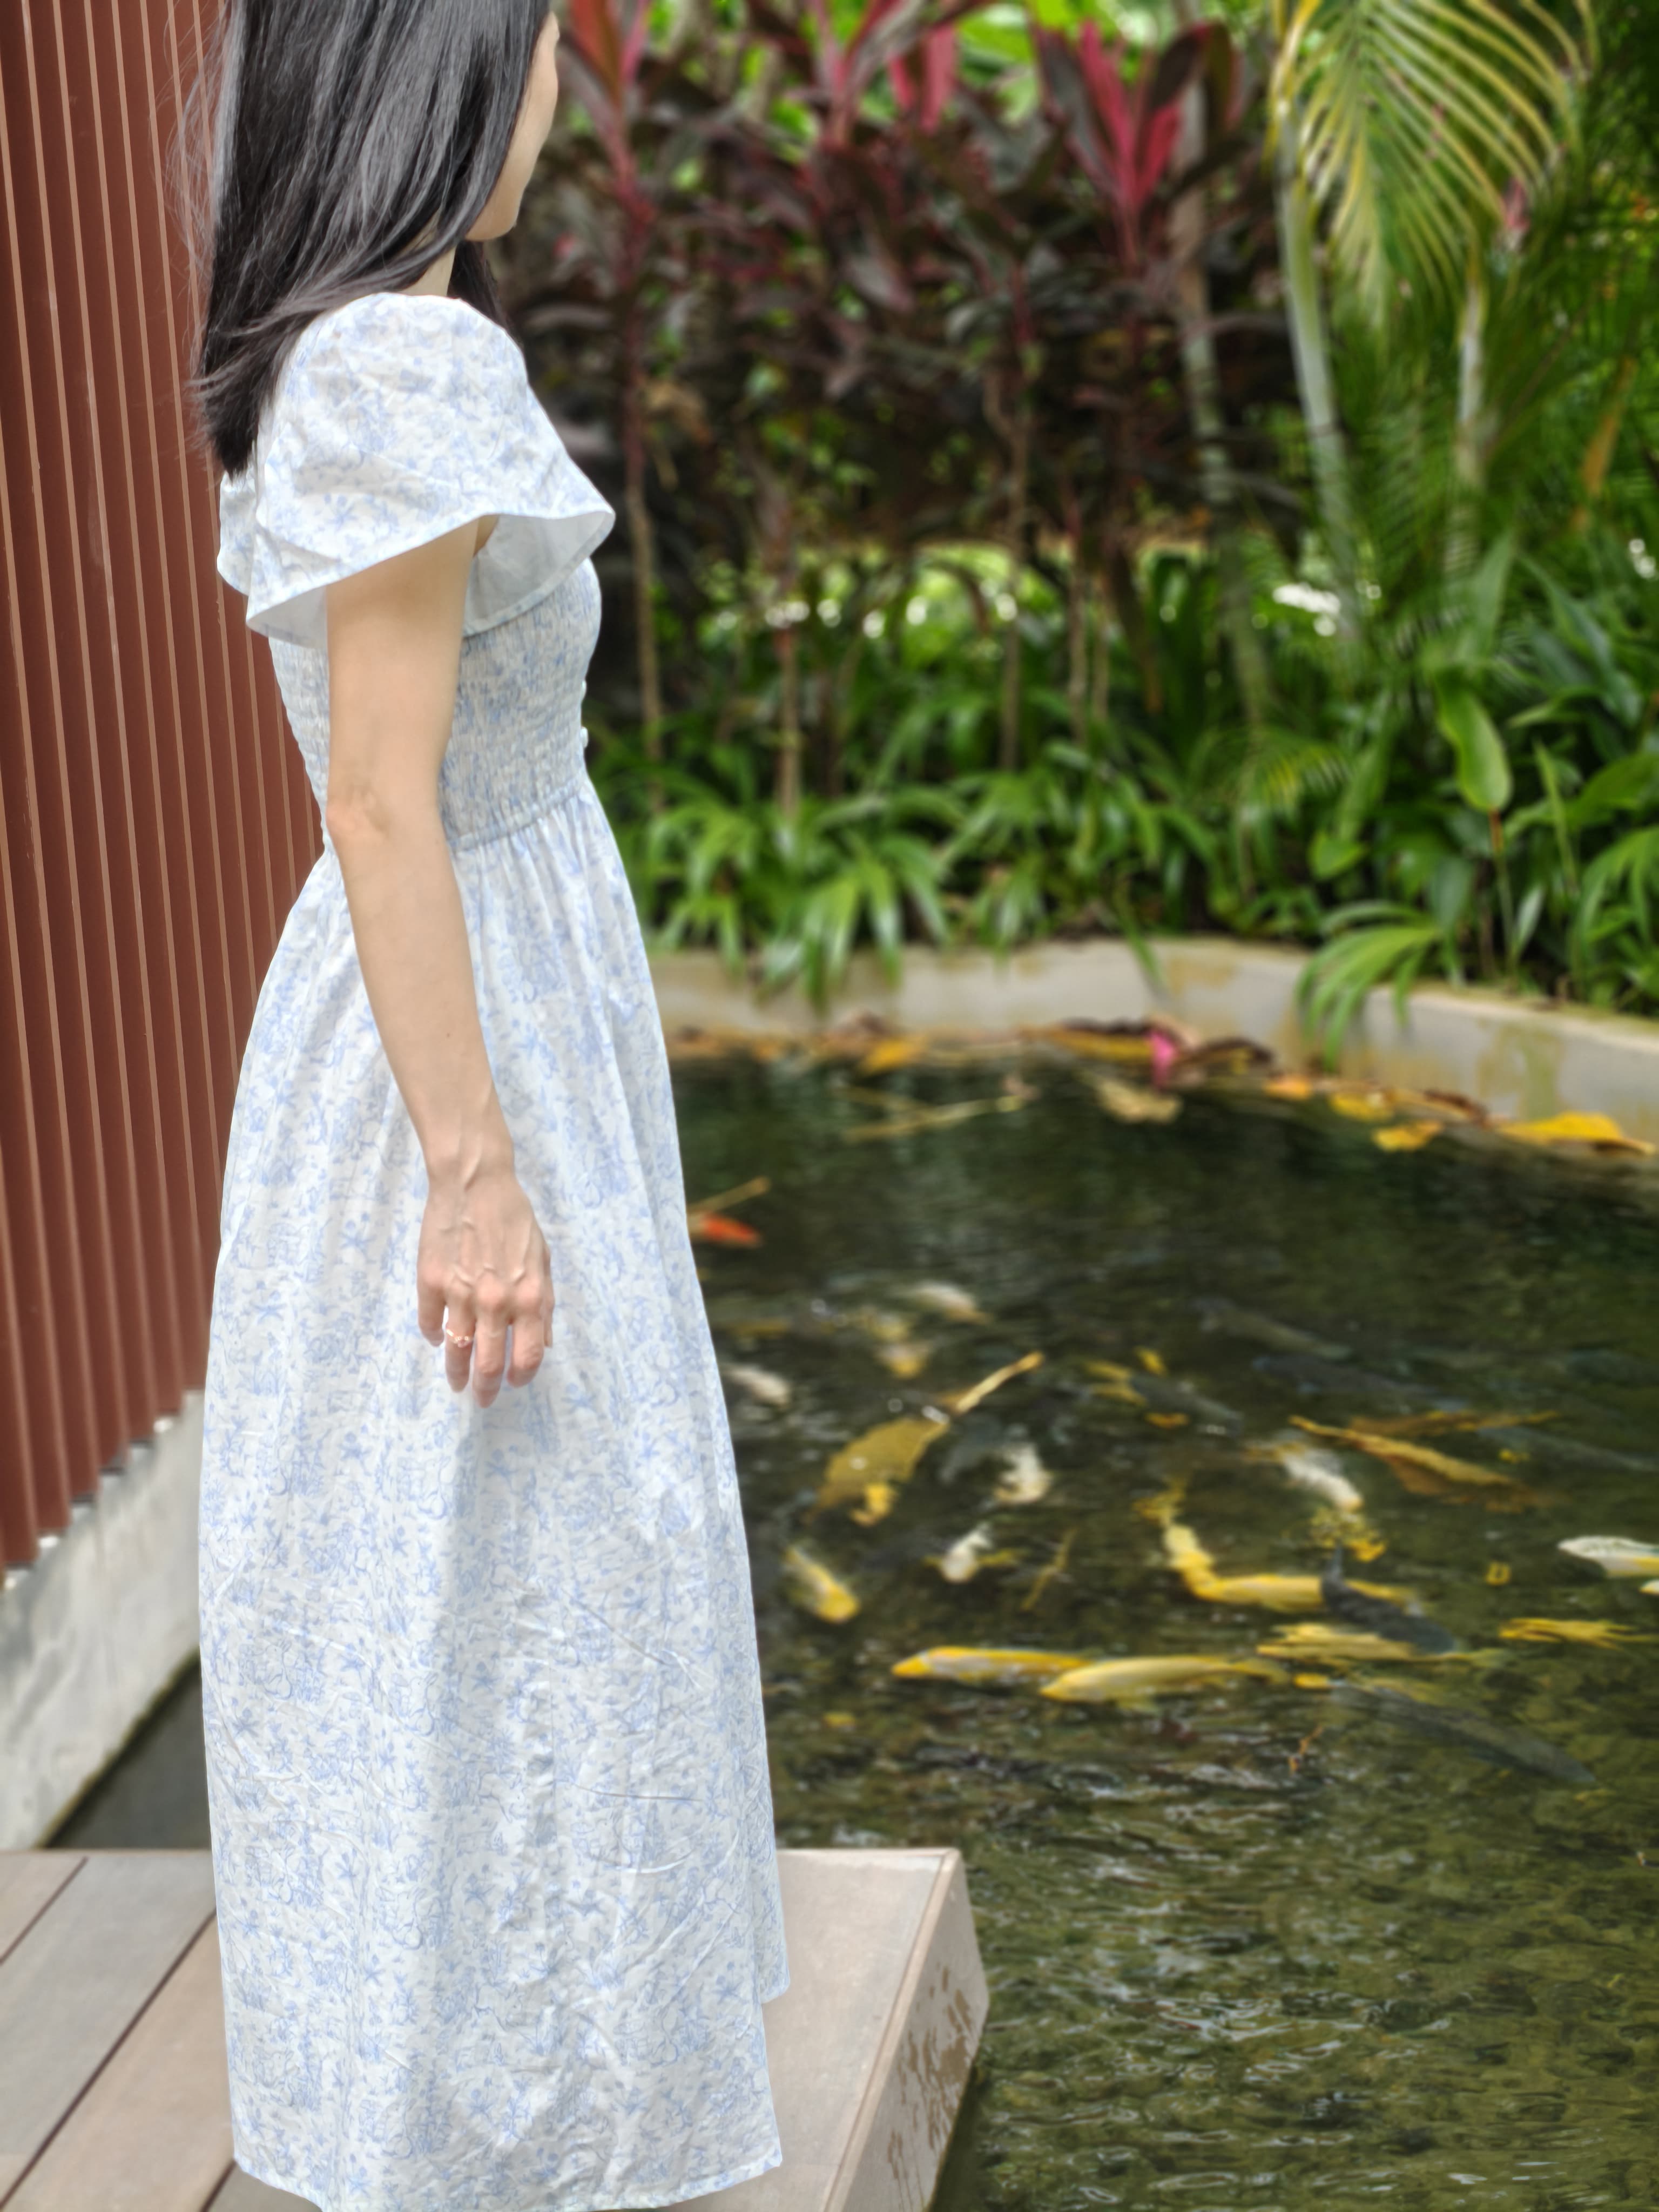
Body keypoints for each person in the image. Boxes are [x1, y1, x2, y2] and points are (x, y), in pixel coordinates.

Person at [192, 4, 786, 2204]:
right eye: (540, 39)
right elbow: (380, 795)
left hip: (476, 989)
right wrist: (473, 1176)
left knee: (471, 1564)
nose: (563, 84)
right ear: (444, 68)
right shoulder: (403, 364)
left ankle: (484, 2105)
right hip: (455, 1025)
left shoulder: (352, 346)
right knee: (519, 1557)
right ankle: (521, 2126)